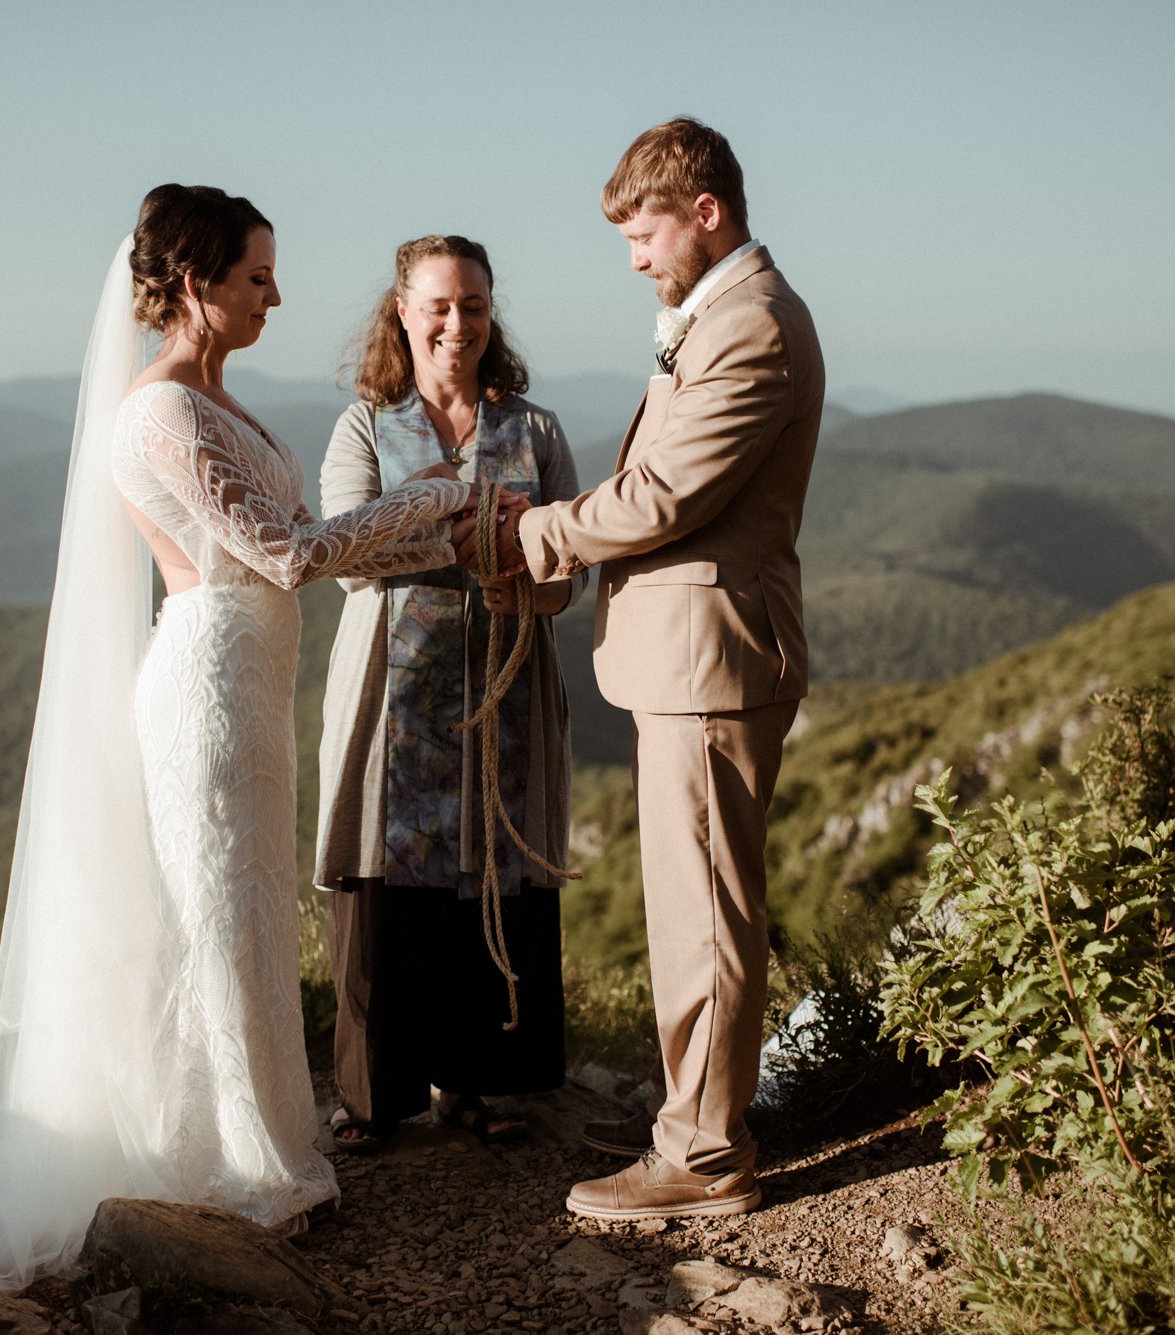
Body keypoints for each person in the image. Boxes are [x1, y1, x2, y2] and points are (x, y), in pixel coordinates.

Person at [0, 185, 477, 1289]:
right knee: (213, 912)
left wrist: (441, 532)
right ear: (196, 286)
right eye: (256, 277)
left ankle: (246, 1140)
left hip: (253, 690)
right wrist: (434, 498)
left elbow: (315, 552)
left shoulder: (223, 404)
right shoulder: (157, 414)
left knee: (246, 910)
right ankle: (223, 1159)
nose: (276, 295)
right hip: (205, 688)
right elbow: (284, 553)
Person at [458, 118, 824, 1220]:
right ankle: (689, 1113)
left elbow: (666, 494)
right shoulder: (716, 316)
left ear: (704, 212)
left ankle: (704, 1159)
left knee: (705, 911)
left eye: (643, 232)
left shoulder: (751, 325)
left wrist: (535, 537)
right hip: (688, 656)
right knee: (685, 903)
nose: (632, 258)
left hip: (712, 660)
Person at [314, 236, 584, 1153]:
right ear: (402, 309)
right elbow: (347, 555)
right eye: (438, 305)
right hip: (390, 695)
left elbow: (570, 570)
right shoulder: (363, 426)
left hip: (507, 687)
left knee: (494, 874)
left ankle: (487, 1081)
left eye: (472, 305)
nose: (456, 324)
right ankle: (375, 1097)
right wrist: (470, 534)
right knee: (386, 884)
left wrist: (513, 563)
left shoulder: (535, 431)